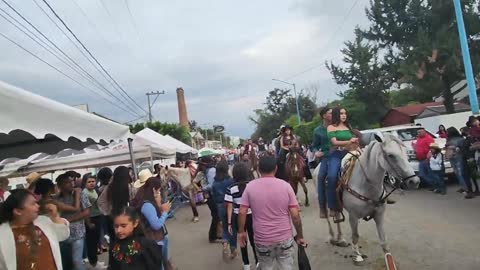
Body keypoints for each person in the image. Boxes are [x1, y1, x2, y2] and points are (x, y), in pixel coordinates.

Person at [238, 155, 306, 270]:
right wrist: (300, 236)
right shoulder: (286, 186)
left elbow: (242, 211)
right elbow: (295, 216)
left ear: (259, 169)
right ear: (275, 169)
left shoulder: (250, 187)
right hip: (284, 239)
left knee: (266, 267)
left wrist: (241, 232)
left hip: (262, 240)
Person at [0, 189, 70, 270]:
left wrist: (55, 216)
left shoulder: (43, 221)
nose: (38, 206)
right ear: (18, 211)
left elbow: (63, 235)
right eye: (33, 204)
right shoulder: (2, 234)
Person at [97, 166, 137, 268]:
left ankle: (114, 265)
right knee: (127, 242)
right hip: (126, 218)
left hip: (112, 220)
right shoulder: (128, 187)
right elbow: (133, 200)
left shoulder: (109, 187)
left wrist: (109, 213)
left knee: (114, 243)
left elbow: (100, 202)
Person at [131, 177, 173, 270]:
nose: (159, 193)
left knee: (162, 262)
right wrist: (165, 212)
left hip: (157, 238)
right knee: (159, 265)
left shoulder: (144, 201)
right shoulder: (147, 205)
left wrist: (159, 206)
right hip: (155, 240)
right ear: (154, 189)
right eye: (159, 190)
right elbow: (156, 225)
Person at [326, 107, 359, 218]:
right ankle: (332, 206)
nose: (344, 115)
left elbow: (354, 142)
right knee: (331, 177)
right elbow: (334, 142)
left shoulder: (348, 127)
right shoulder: (331, 127)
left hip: (350, 152)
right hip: (336, 154)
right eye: (341, 113)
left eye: (345, 113)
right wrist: (349, 141)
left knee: (368, 166)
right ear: (336, 115)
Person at [225, 163, 258, 270]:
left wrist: (229, 223)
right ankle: (258, 261)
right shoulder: (252, 185)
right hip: (252, 215)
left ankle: (246, 264)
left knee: (242, 240)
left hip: (237, 217)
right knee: (254, 240)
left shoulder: (230, 188)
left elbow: (229, 207)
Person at [55, 173, 91, 270]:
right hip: (62, 235)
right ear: (60, 185)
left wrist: (68, 220)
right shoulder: (56, 198)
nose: (71, 184)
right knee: (66, 263)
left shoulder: (80, 193)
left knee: (76, 260)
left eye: (72, 181)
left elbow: (87, 212)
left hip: (77, 234)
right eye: (67, 182)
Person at [311, 107, 332, 218]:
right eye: (330, 113)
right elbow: (314, 146)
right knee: (319, 176)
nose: (332, 115)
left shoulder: (337, 127)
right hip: (326, 157)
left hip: (341, 154)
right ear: (324, 116)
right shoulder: (317, 131)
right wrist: (316, 152)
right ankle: (322, 206)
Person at [211, 160, 235, 257]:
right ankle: (233, 250)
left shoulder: (215, 183)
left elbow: (213, 196)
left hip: (220, 206)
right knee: (232, 227)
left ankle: (225, 244)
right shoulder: (230, 181)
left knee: (225, 227)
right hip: (230, 205)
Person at [82, 174, 105, 268]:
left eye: (93, 181)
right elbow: (85, 210)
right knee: (91, 242)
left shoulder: (94, 191)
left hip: (97, 217)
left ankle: (95, 261)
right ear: (85, 183)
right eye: (89, 182)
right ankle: (94, 264)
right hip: (91, 219)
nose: (91, 183)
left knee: (95, 241)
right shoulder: (85, 193)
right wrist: (88, 223)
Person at [446, 127, 475, 199]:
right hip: (452, 157)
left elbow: (462, 148)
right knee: (457, 172)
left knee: (460, 172)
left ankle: (467, 188)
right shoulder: (449, 139)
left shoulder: (460, 139)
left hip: (459, 157)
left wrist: (454, 148)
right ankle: (463, 187)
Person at [199, 156, 222, 243]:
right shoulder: (208, 171)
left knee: (216, 215)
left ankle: (215, 234)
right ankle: (213, 236)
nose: (200, 167)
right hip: (211, 196)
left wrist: (202, 188)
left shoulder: (211, 171)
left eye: (201, 165)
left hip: (212, 195)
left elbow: (211, 185)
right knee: (216, 215)